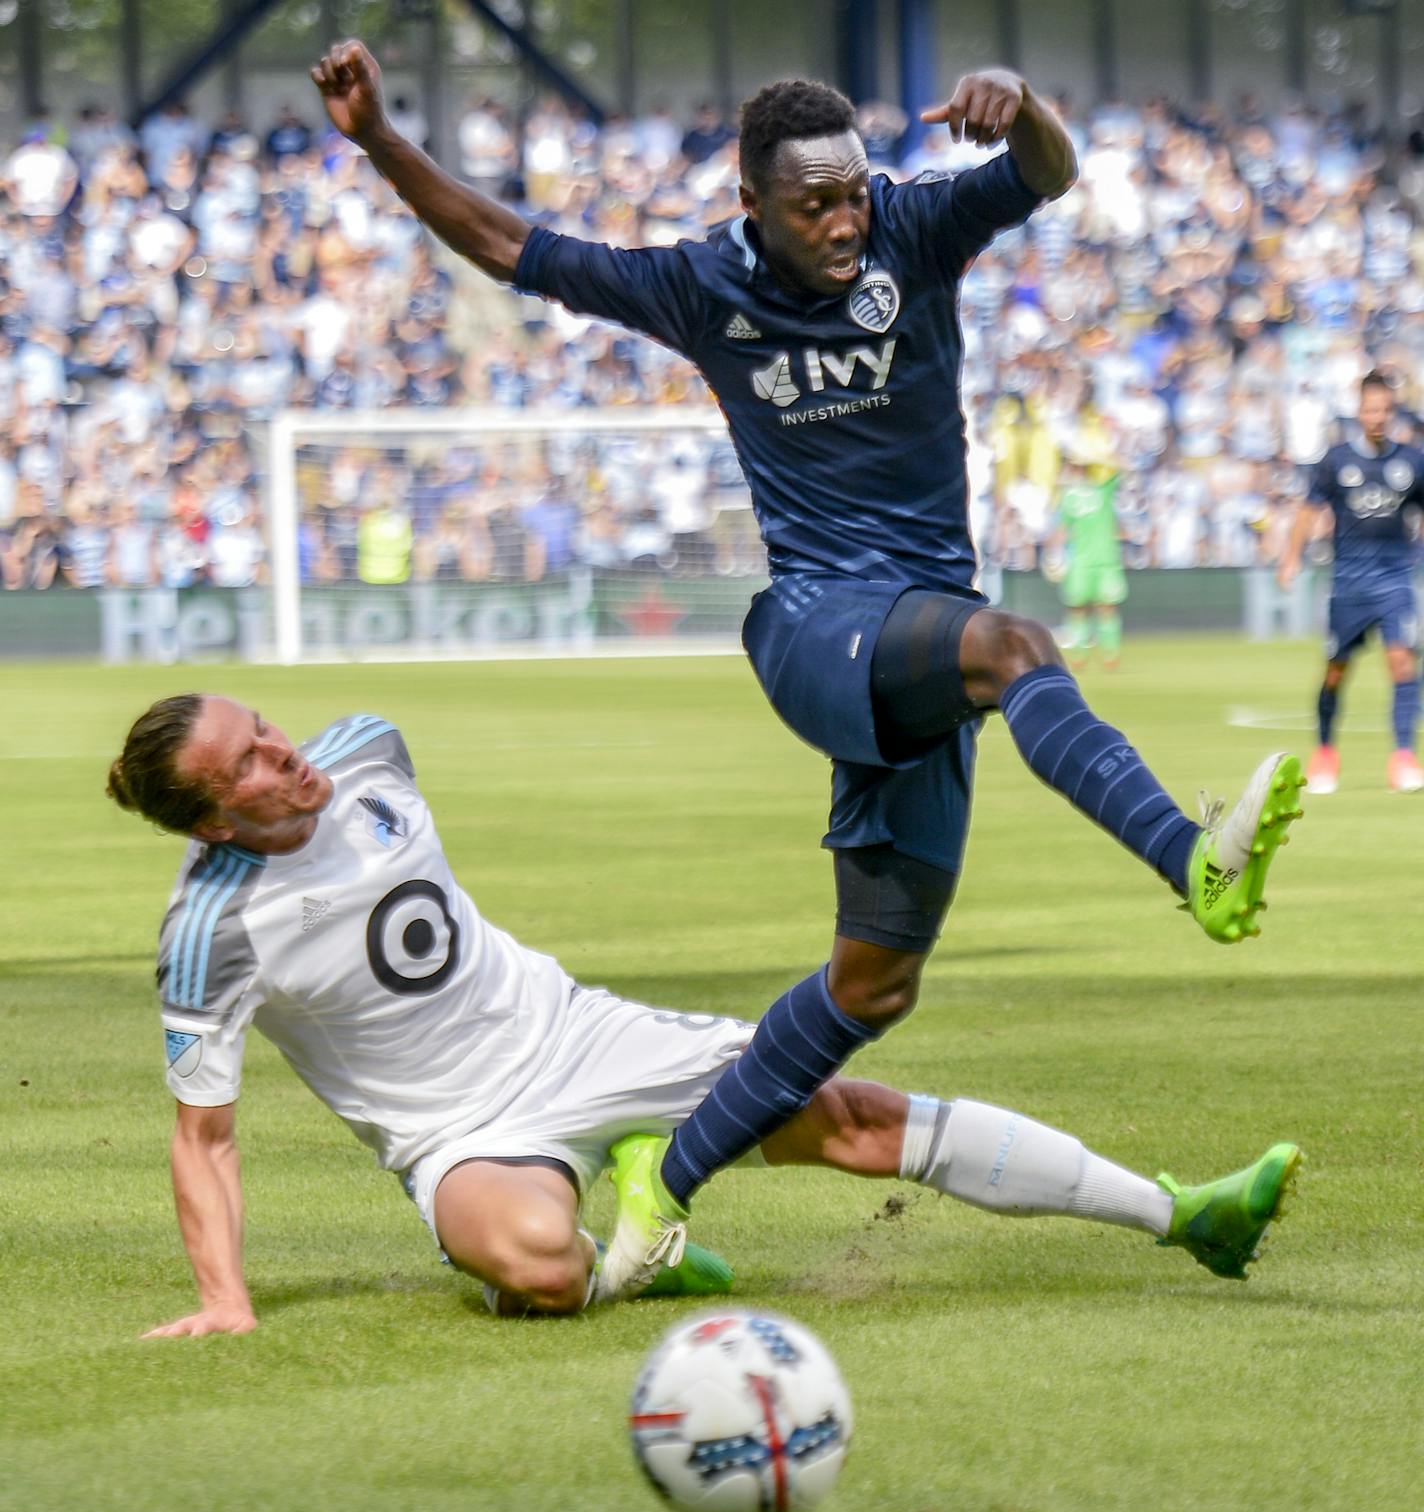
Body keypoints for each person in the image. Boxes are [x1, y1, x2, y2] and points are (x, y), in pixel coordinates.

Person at [311, 43, 1305, 1298]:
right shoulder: (696, 285)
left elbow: (1047, 172)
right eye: (813, 205)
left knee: (870, 984)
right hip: (818, 624)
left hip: (916, 642)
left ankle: (661, 1187)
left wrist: (1024, 110)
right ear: (752, 208)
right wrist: (377, 141)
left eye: (854, 194)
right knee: (1014, 648)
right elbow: (514, 248)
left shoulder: (915, 226)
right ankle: (1189, 861)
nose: (845, 222)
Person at [108, 694, 1301, 1333]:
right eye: (248, 767)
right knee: (534, 1266)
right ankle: (648, 1249)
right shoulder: (212, 935)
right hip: (455, 1133)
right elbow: (199, 1136)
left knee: (842, 1116)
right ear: (214, 821)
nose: (283, 754)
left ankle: (1180, 1214)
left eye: (262, 726)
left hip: (575, 1031)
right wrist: (225, 1298)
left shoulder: (369, 751)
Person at [1278, 371, 1424, 795]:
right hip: (1349, 584)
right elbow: (1308, 511)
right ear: (1359, 412)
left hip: (1394, 579)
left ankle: (1403, 756)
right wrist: (1291, 558)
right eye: (1370, 409)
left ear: (1392, 412)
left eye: (1385, 410)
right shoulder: (1336, 460)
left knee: (1402, 661)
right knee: (1336, 671)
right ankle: (1325, 752)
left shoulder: (1411, 460)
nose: (1378, 417)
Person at [1051, 456, 1126, 670]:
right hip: (1090, 560)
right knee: (1086, 608)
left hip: (1099, 560)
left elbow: (1061, 530)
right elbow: (1063, 529)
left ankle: (1107, 654)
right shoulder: (1074, 495)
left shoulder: (1101, 490)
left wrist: (1053, 554)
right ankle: (1081, 655)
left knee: (1096, 608)